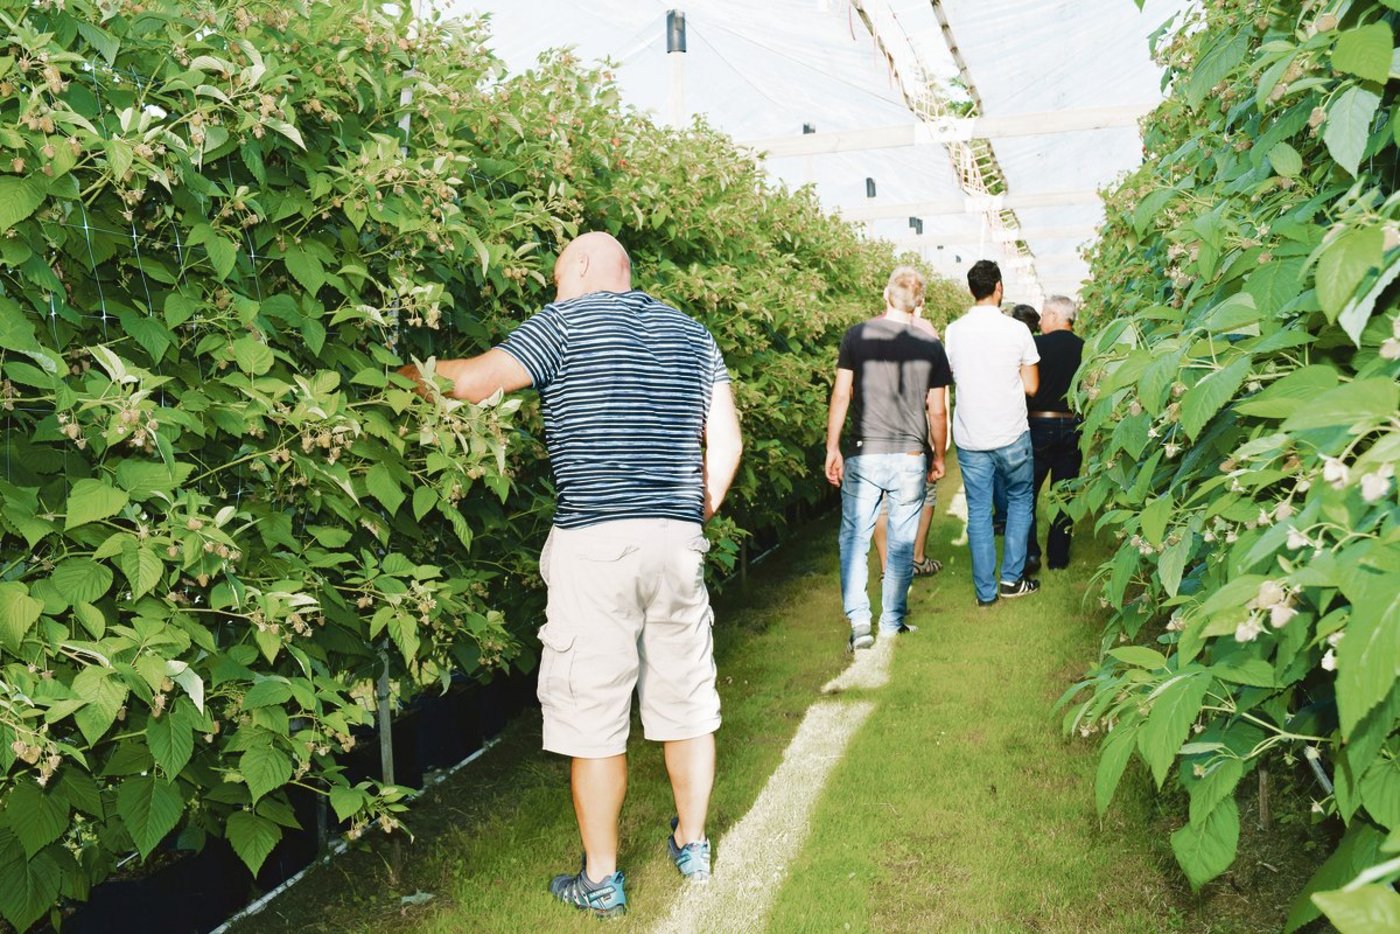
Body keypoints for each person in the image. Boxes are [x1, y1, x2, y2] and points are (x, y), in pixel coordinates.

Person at [399, 232, 743, 917]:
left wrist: (396, 377)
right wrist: (687, 511)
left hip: (596, 543)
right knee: (686, 701)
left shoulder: (566, 321)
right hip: (678, 540)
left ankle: (602, 879)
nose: (553, 290)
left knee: (594, 713)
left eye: (557, 276)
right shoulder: (693, 334)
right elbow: (727, 441)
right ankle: (693, 845)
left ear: (583, 265)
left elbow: (472, 383)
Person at [825, 266, 951, 649]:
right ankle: (892, 622)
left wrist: (832, 447)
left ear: (886, 294)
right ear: (920, 303)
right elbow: (938, 410)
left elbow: (842, 394)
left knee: (854, 539)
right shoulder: (931, 346)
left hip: (864, 452)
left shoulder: (856, 336)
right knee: (901, 542)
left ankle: (860, 623)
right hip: (910, 455)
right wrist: (939, 455)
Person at [944, 261, 1040, 607]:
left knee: (979, 512)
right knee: (1020, 501)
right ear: (999, 287)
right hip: (1011, 432)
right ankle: (1012, 580)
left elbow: (951, 374)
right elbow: (1031, 386)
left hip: (971, 436)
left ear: (972, 290)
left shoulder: (954, 331)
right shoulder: (1017, 330)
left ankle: (985, 593)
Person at [873, 304, 946, 578]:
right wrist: (939, 453)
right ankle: (916, 557)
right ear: (919, 303)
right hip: (914, 422)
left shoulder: (869, 330)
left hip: (876, 424)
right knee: (925, 488)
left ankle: (887, 567)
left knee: (882, 496)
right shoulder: (925, 331)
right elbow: (937, 404)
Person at [1025, 295, 1085, 572]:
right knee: (1064, 493)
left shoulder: (1035, 346)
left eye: (1043, 316)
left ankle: (1030, 553)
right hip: (1073, 426)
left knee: (1026, 493)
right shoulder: (1086, 349)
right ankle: (1058, 558)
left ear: (1053, 316)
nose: (1040, 322)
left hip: (1038, 425)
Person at [992, 304, 1041, 535]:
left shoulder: (1009, 346)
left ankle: (1004, 516)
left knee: (999, 472)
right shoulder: (1033, 345)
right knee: (1020, 477)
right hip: (1028, 417)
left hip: (1009, 416)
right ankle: (1015, 518)